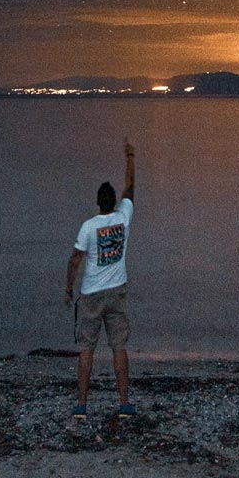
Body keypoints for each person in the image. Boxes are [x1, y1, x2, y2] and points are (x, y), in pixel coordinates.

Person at [65, 138, 136, 418]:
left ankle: (82, 405)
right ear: (114, 201)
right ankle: (123, 403)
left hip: (92, 295)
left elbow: (74, 259)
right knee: (119, 347)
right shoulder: (124, 218)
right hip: (116, 292)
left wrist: (68, 288)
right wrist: (131, 157)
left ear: (97, 202)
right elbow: (130, 188)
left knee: (86, 350)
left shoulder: (89, 226)